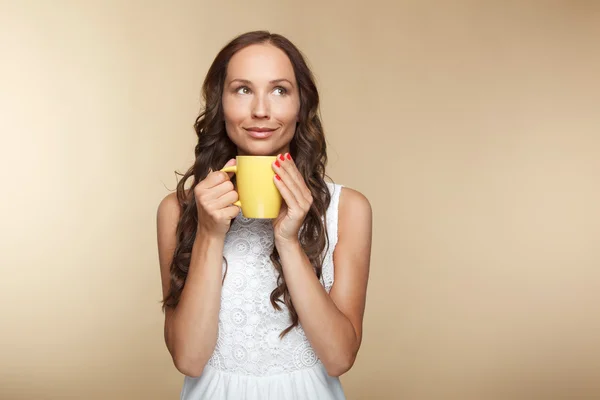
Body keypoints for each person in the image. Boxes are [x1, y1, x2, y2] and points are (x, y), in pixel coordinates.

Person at [156, 30, 372, 400]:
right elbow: (189, 360)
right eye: (242, 89)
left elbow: (339, 358)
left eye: (279, 90)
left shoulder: (348, 209)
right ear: (219, 103)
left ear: (301, 105)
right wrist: (209, 233)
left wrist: (288, 240)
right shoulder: (177, 210)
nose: (260, 110)